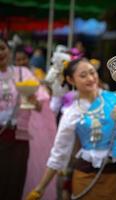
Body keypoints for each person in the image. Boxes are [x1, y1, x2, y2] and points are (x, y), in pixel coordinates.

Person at [26, 58, 116, 200]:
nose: (90, 78)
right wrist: (40, 188)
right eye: (83, 76)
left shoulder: (115, 99)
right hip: (85, 176)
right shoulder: (71, 113)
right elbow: (59, 154)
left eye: (92, 72)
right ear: (71, 80)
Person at [0, 36, 49, 200]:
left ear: (9, 49)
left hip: (18, 139)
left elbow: (41, 103)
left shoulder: (23, 73)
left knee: (15, 183)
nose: (0, 53)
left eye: (2, 48)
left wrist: (34, 101)